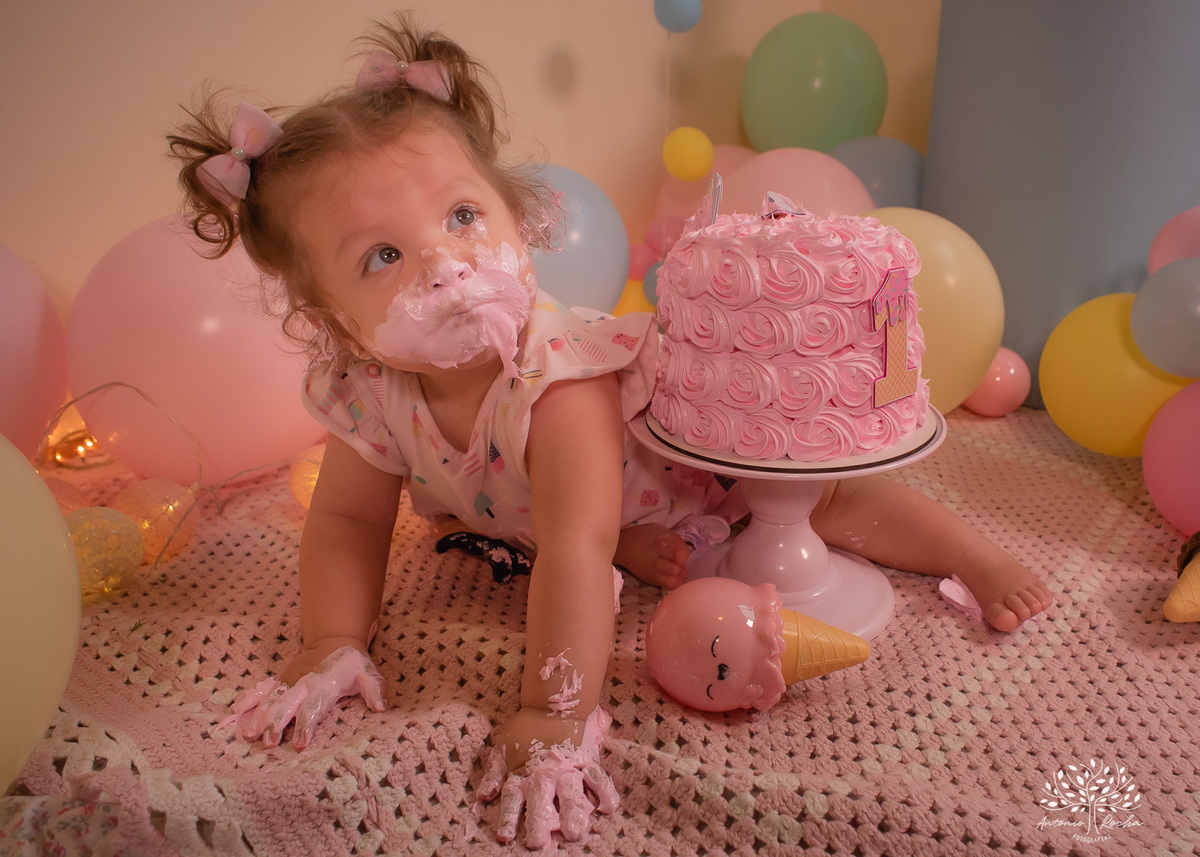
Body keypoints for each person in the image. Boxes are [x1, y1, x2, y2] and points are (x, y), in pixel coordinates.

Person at [169, 17, 1052, 847]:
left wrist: (557, 711)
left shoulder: (559, 382)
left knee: (821, 497)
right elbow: (349, 523)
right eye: (381, 256)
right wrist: (329, 639)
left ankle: (972, 555)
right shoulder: (369, 389)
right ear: (336, 321)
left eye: (464, 216)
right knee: (585, 525)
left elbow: (574, 553)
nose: (446, 263)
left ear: (518, 219)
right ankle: (643, 541)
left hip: (690, 468)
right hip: (563, 517)